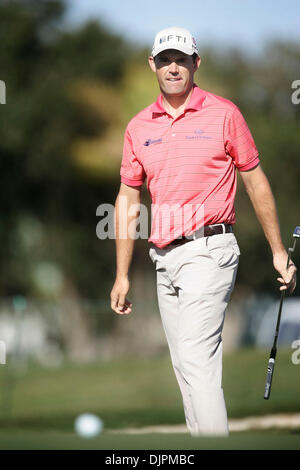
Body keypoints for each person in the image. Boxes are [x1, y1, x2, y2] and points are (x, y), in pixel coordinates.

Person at [110, 27, 297, 436]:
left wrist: (277, 250)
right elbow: (128, 199)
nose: (172, 67)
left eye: (181, 59)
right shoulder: (138, 126)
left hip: (210, 250)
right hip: (163, 259)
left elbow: (255, 181)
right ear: (152, 65)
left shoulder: (224, 113)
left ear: (197, 63)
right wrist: (123, 273)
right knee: (184, 365)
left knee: (196, 357)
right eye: (164, 60)